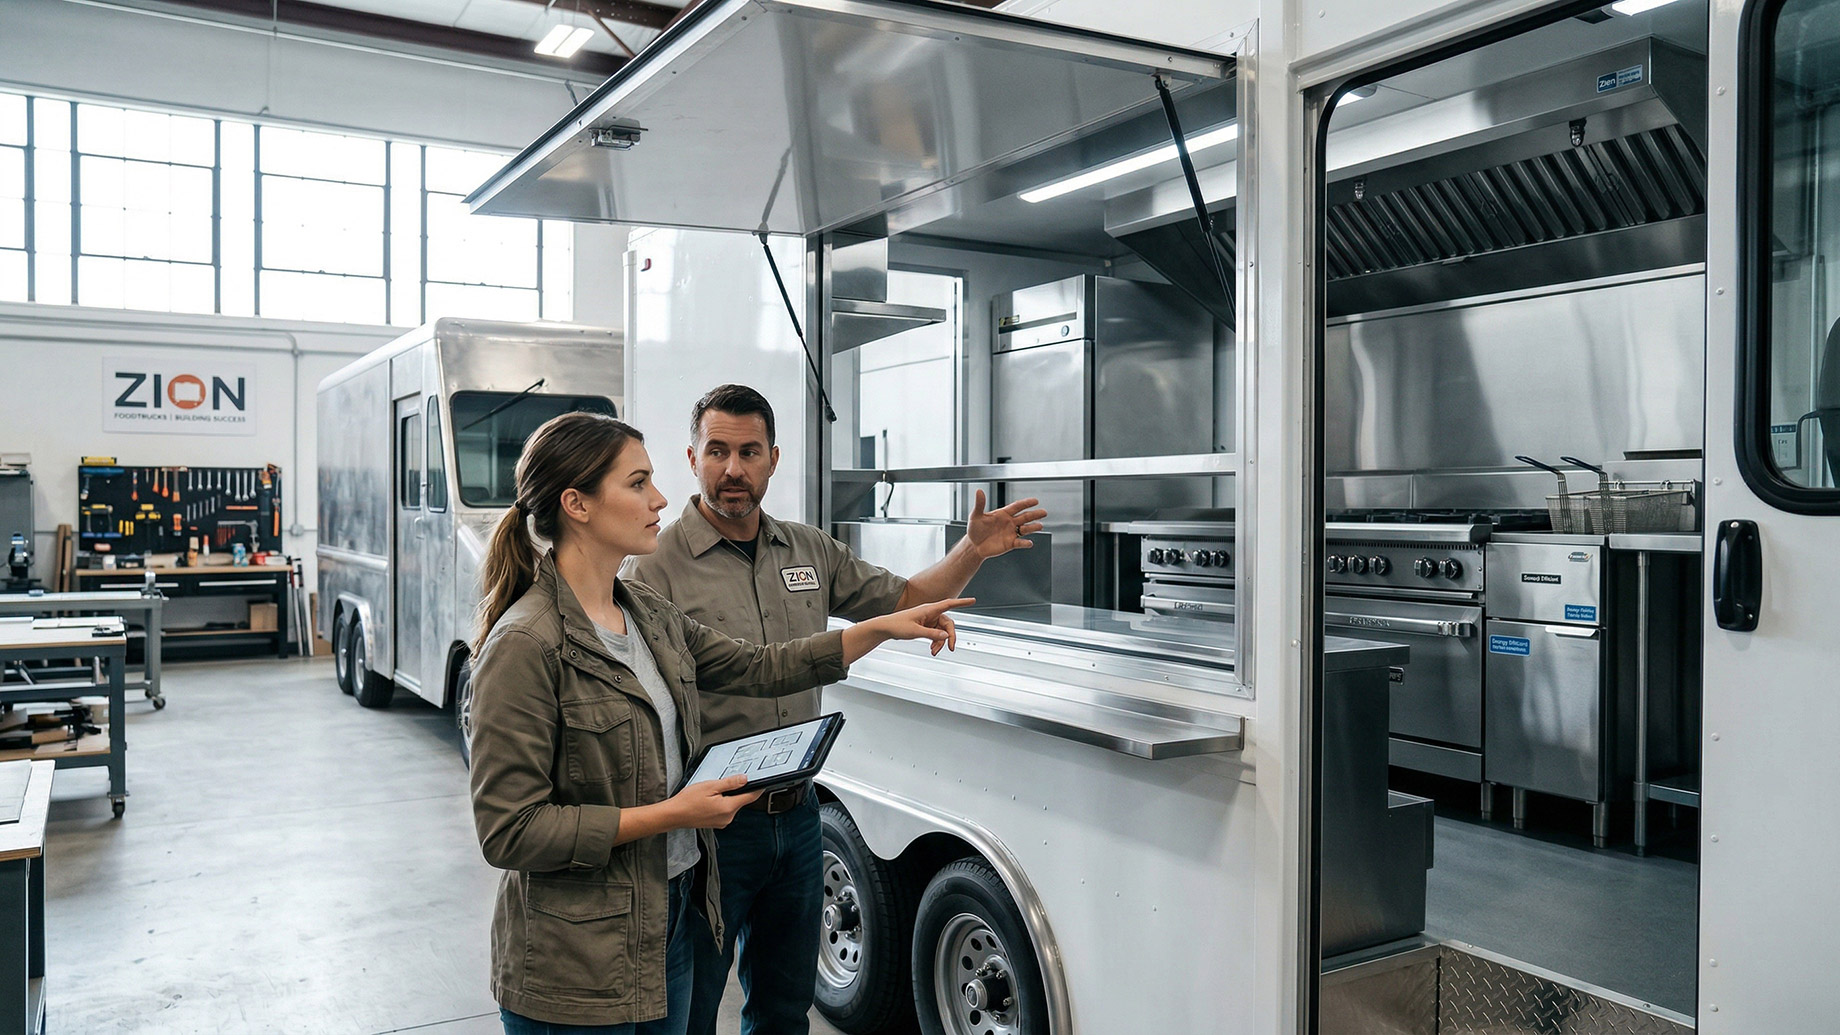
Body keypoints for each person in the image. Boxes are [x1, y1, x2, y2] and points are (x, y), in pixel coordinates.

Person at [467, 410, 970, 1035]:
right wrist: (676, 814)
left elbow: (757, 666)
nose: (658, 498)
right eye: (637, 483)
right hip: (579, 958)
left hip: (668, 912)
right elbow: (510, 831)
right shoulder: (526, 642)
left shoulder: (643, 613)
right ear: (578, 505)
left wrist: (874, 629)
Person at [625, 384, 1046, 1035]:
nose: (732, 468)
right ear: (691, 456)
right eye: (717, 450)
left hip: (797, 818)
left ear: (773, 459)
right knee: (690, 1009)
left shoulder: (807, 550)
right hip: (711, 827)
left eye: (748, 451)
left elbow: (904, 598)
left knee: (785, 1007)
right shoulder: (655, 568)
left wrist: (972, 552)